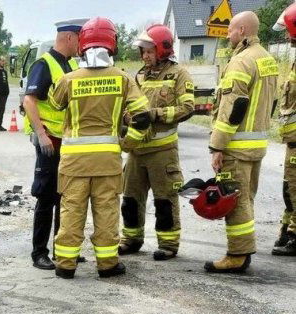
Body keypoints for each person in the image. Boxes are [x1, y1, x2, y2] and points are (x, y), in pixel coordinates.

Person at [48, 17, 150, 279]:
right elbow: (143, 117)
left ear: (82, 44)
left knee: (71, 211)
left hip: (73, 164)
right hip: (107, 162)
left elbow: (54, 102)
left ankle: (65, 265)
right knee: (106, 212)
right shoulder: (123, 79)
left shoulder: (69, 79)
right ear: (111, 43)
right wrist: (127, 143)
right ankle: (107, 264)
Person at [205, 11, 278, 273]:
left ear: (243, 30)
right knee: (247, 198)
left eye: (230, 30)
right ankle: (242, 251)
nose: (227, 35)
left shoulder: (241, 61)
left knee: (235, 201)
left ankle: (237, 255)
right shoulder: (267, 60)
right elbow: (272, 103)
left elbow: (231, 108)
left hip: (236, 146)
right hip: (256, 145)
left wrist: (217, 146)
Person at [119, 25, 196, 261]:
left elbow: (188, 108)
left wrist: (155, 115)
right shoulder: (139, 75)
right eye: (142, 51)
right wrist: (126, 118)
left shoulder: (179, 74)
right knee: (130, 198)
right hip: (136, 151)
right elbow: (127, 107)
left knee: (164, 199)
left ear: (163, 48)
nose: (144, 56)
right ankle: (131, 239)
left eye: (149, 51)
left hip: (163, 152)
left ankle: (168, 244)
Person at [23, 19, 86, 270]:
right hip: (50, 141)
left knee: (65, 196)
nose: (82, 45)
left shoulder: (70, 65)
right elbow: (29, 101)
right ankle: (39, 252)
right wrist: (41, 134)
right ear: (69, 38)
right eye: (80, 39)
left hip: (67, 141)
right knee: (46, 196)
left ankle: (63, 250)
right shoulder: (44, 64)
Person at [272, 4, 296, 257]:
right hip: (292, 141)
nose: (286, 37)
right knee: (290, 189)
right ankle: (287, 231)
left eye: (288, 31)